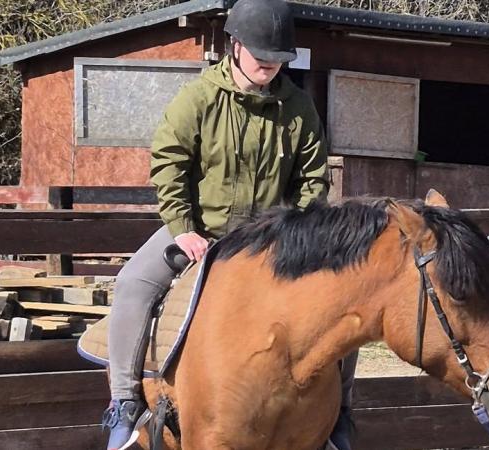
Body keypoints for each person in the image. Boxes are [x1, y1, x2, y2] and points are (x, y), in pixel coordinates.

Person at [100, 1, 355, 449]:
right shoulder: (198, 99)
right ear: (235, 46)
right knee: (133, 284)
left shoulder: (299, 107)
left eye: (278, 57)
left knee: (342, 302)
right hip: (201, 229)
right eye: (261, 55)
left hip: (273, 240)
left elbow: (313, 179)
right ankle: (124, 402)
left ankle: (339, 416)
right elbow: (169, 164)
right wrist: (182, 227)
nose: (270, 64)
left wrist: (298, 234)